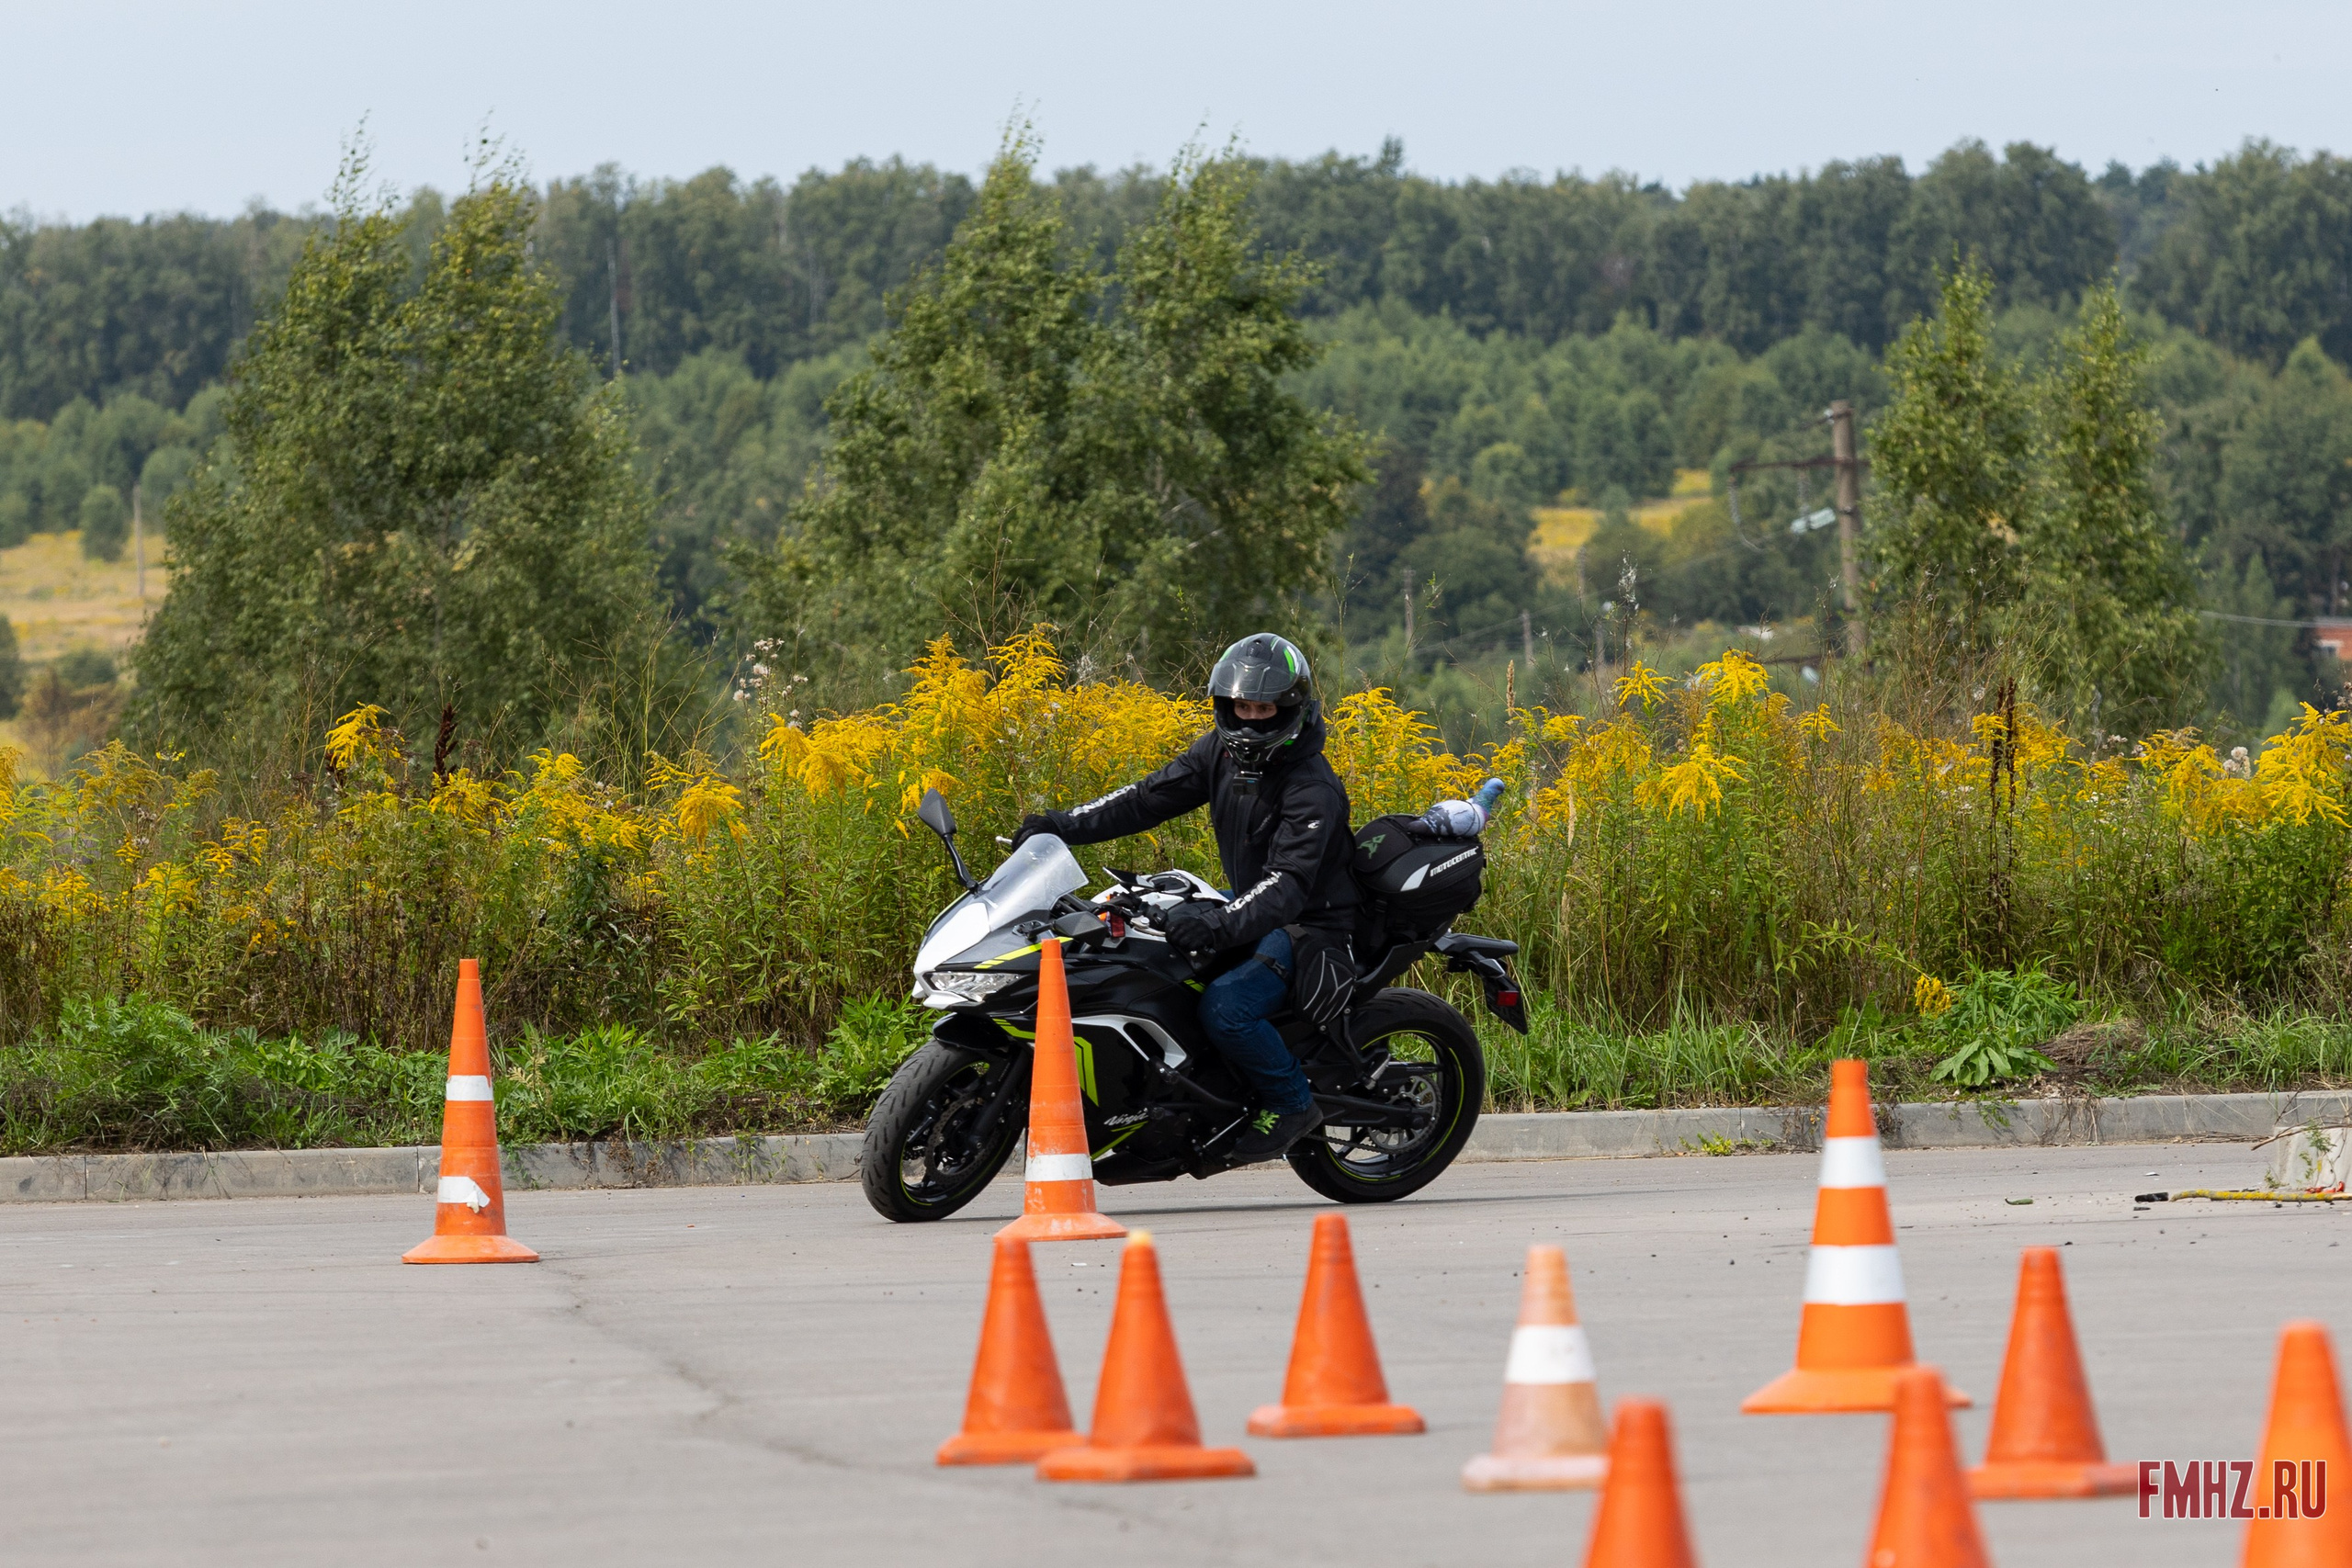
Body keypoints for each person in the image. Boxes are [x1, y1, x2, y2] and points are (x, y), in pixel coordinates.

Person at [1011, 633, 1357, 1162]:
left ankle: (1291, 1104)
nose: (1250, 720)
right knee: (1139, 945)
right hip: (1249, 903)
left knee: (1226, 1008)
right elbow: (1146, 798)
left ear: (1289, 709)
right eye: (1242, 705)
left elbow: (1287, 885)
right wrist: (1060, 827)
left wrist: (1218, 925)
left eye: (1264, 708)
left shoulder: (1312, 787)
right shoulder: (1217, 752)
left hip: (1309, 925)